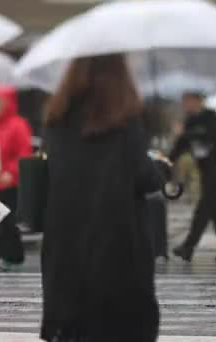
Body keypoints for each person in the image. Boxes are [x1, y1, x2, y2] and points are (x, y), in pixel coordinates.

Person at [41, 54, 161, 342]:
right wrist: (160, 167)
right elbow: (145, 178)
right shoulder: (125, 122)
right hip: (117, 247)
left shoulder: (57, 120)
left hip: (66, 249)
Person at [170, 91, 216, 263]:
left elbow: (214, 136)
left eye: (188, 100)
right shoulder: (190, 121)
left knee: (204, 208)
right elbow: (181, 146)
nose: (185, 105)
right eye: (184, 101)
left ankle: (188, 246)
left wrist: (186, 134)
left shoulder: (211, 117)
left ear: (198, 100)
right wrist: (167, 161)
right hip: (204, 170)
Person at [0, 85, 32, 271]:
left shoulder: (17, 125)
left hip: (10, 185)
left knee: (7, 223)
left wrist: (10, 173)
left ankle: (13, 257)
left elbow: (24, 154)